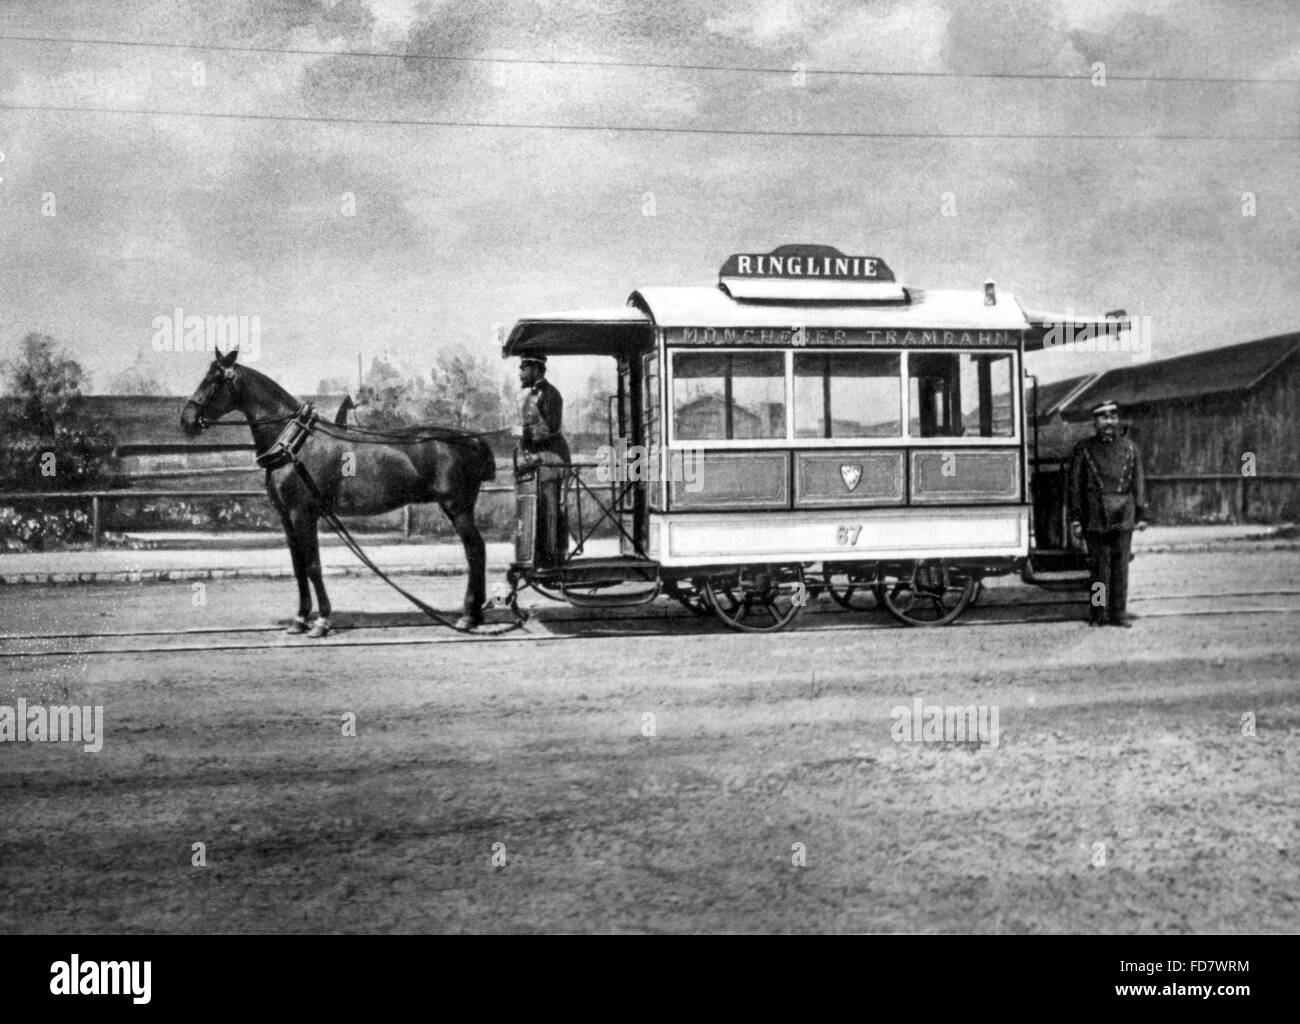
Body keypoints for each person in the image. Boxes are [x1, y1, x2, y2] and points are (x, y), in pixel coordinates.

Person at [1069, 399, 1147, 627]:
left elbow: (1139, 483)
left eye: (1113, 416)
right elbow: (1074, 486)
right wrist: (1075, 518)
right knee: (1098, 570)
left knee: (1120, 568)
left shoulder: (1130, 448)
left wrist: (1140, 514)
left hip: (1124, 516)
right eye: (1103, 417)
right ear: (1095, 422)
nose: (1109, 421)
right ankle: (1098, 614)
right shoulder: (1084, 449)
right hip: (1095, 517)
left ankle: (1119, 613)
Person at [518, 354, 571, 566]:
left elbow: (551, 429)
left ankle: (553, 558)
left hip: (553, 460)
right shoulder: (535, 394)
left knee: (550, 510)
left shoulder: (549, 394)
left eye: (524, 368)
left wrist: (522, 434)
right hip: (543, 460)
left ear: (537, 370)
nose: (520, 373)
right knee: (540, 509)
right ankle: (541, 556)